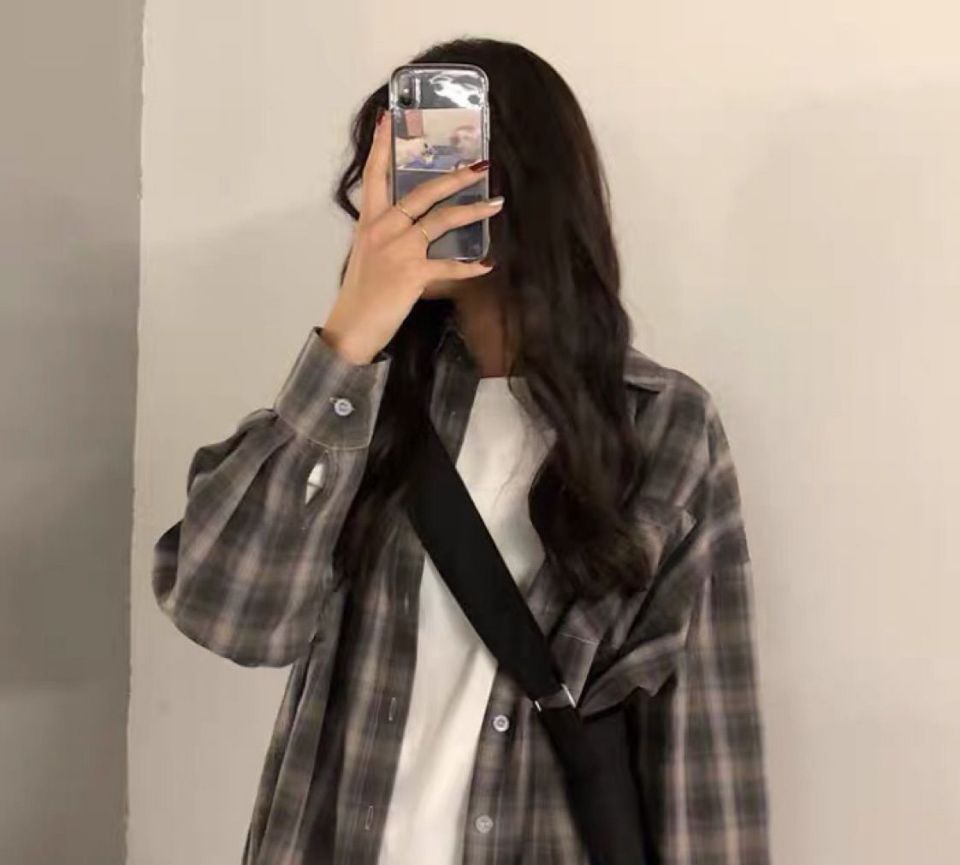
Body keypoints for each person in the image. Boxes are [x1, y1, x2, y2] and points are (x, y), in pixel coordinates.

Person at [152, 37, 771, 865]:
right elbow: (228, 615)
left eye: (427, 163)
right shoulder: (353, 407)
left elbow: (707, 748)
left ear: (518, 179)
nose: (395, 201)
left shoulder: (663, 426)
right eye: (389, 173)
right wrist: (351, 332)